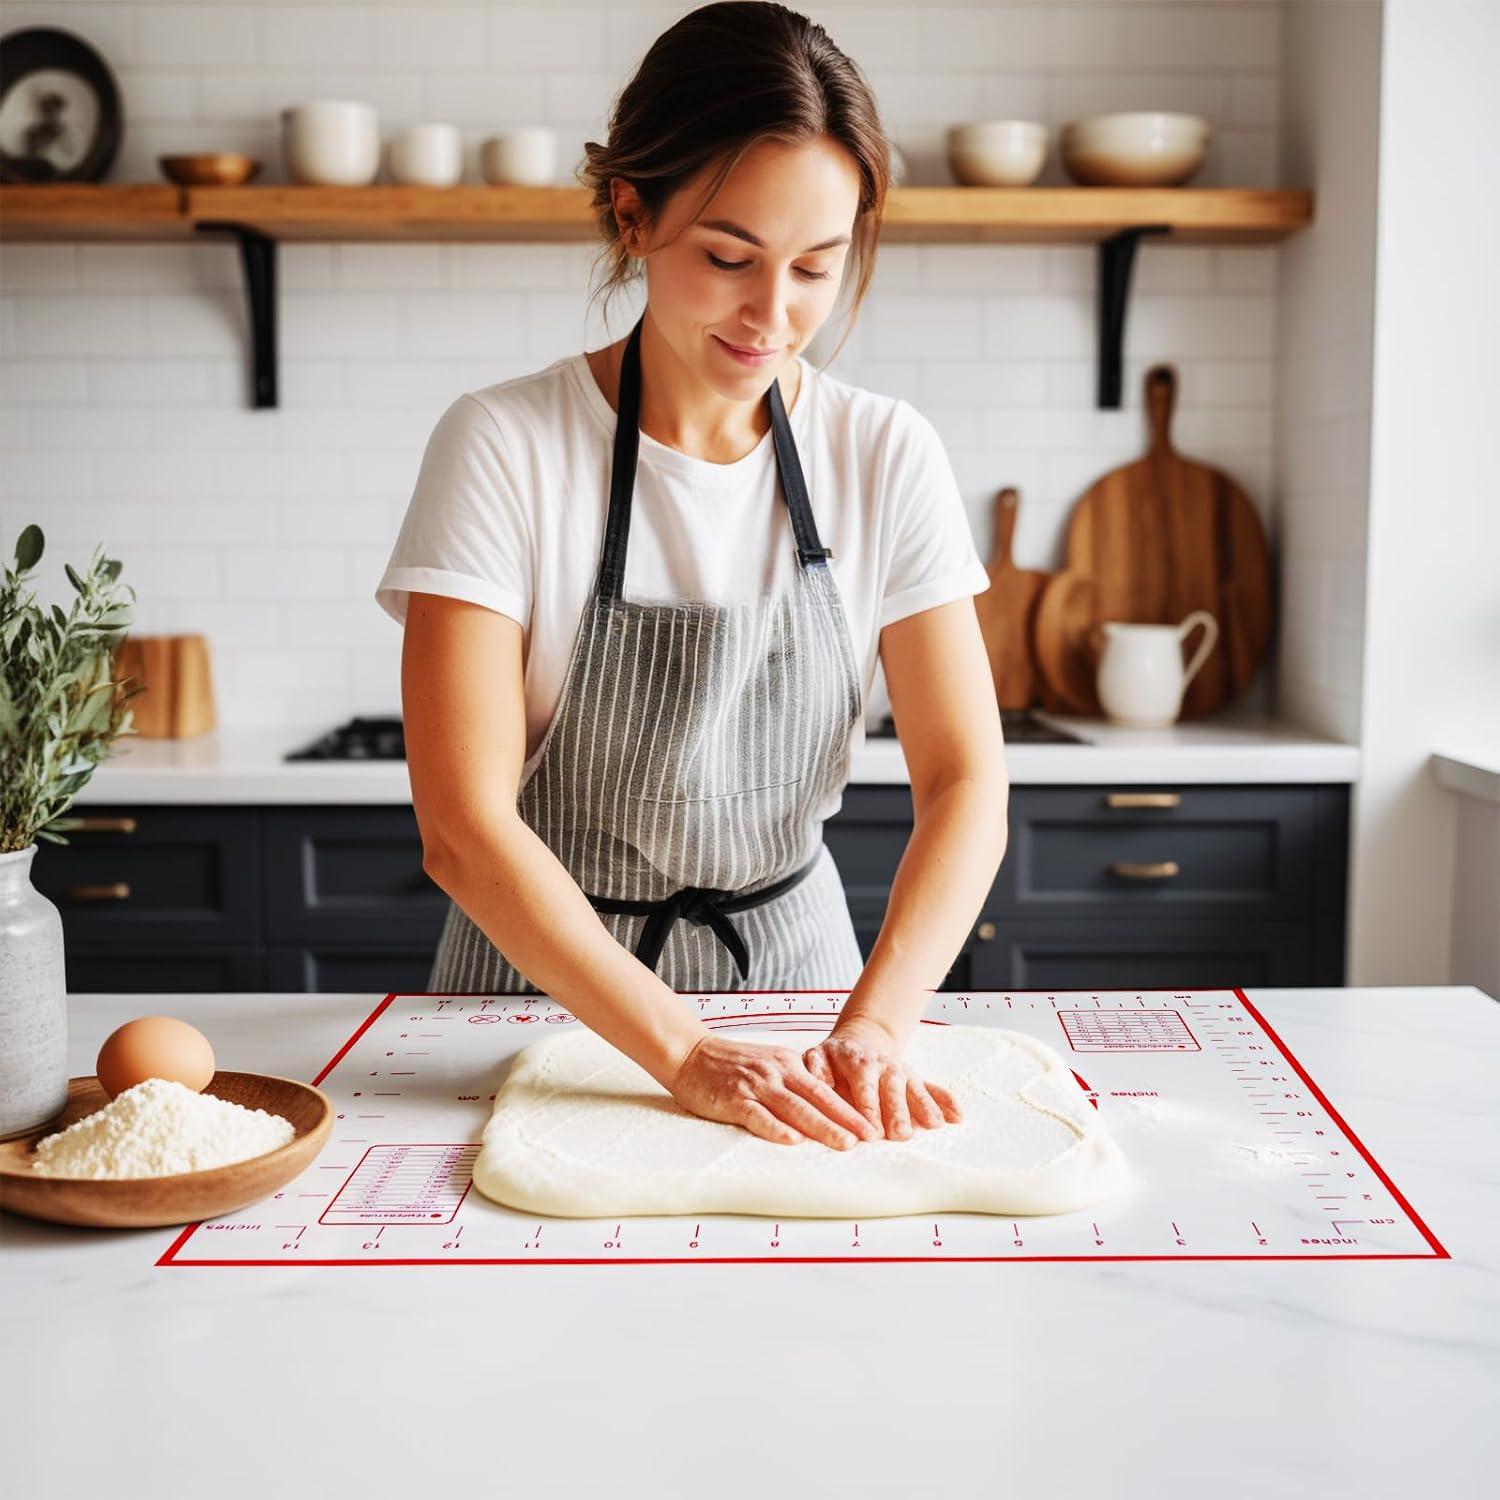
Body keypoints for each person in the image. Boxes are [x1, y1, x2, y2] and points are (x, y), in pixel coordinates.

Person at [375, 2, 1009, 1152]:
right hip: (538, 1005)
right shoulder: (504, 445)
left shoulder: (884, 453)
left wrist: (870, 1032)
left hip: (812, 1004)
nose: (776, 316)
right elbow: (462, 826)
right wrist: (683, 1053)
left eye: (818, 267)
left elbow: (967, 782)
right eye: (729, 259)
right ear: (633, 213)